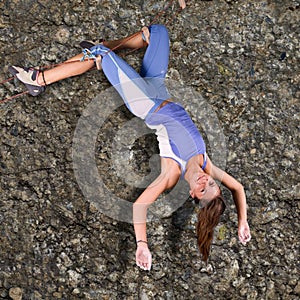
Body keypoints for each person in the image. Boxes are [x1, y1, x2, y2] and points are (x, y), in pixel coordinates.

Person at [9, 23, 251, 271]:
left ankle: (39, 79)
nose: (205, 181)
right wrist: (243, 221)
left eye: (203, 188)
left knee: (99, 52)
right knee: (157, 33)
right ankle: (112, 59)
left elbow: (140, 206)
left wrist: (142, 244)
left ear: (193, 194)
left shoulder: (171, 173)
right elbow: (238, 188)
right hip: (158, 87)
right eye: (211, 184)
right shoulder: (205, 165)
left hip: (144, 101)